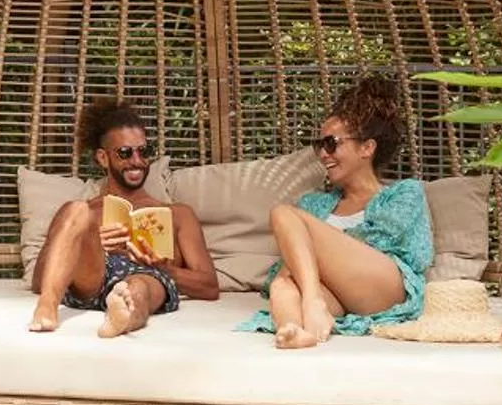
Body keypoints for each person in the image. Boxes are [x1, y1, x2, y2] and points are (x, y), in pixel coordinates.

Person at [242, 76, 434, 349]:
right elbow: (294, 260)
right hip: (335, 294)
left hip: (383, 286)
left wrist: (312, 248)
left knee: (283, 213)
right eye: (320, 146)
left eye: (331, 143)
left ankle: (311, 302)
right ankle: (294, 330)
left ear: (367, 147)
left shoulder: (404, 193)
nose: (323, 154)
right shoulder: (313, 204)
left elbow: (378, 243)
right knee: (282, 284)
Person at [27, 99, 220, 337]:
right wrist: (90, 243)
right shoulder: (81, 214)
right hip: (92, 276)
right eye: (125, 153)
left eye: (143, 151)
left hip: (149, 277)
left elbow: (210, 287)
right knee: (76, 210)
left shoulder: (178, 214)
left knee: (137, 287)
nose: (136, 161)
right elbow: (38, 280)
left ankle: (122, 317)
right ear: (103, 158)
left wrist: (164, 268)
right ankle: (47, 307)